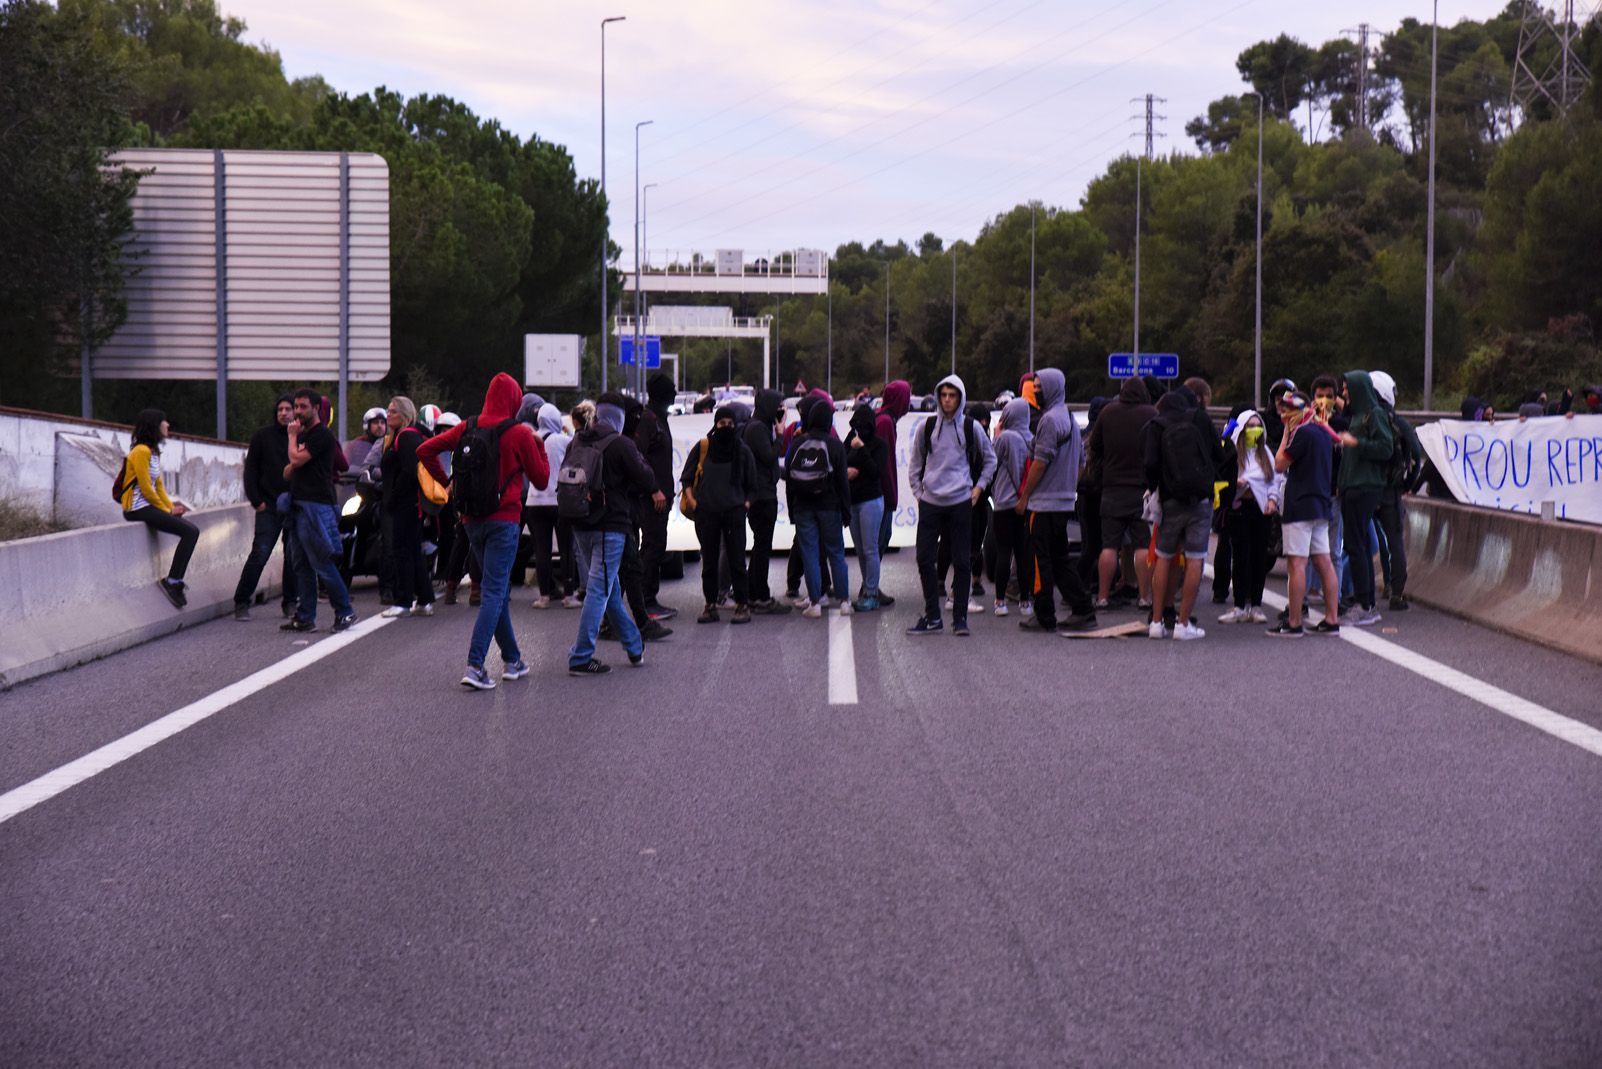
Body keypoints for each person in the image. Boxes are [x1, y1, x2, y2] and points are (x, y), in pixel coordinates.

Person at [418, 372, 550, 690]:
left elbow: (424, 450)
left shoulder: (468, 426)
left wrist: (447, 482)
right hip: (504, 521)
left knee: (497, 591)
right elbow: (543, 480)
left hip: (471, 519)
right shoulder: (519, 433)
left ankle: (513, 660)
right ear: (515, 401)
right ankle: (476, 665)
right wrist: (538, 446)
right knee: (494, 592)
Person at [566, 393, 662, 676]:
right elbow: (645, 477)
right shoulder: (621, 444)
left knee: (609, 591)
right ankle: (581, 656)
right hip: (611, 527)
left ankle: (634, 646)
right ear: (618, 419)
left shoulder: (578, 440)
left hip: (581, 523)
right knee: (600, 590)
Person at [907, 374, 996, 637]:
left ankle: (960, 619)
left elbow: (990, 459)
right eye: (943, 395)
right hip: (931, 502)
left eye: (952, 395)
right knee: (924, 558)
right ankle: (933, 616)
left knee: (962, 560)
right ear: (938, 397)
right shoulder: (927, 427)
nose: (947, 400)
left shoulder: (971, 428)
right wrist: (918, 493)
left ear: (960, 398)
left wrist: (979, 487)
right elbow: (915, 463)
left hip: (960, 501)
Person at [1014, 369, 1096, 636]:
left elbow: (1040, 463)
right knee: (1061, 560)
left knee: (1041, 560)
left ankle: (1044, 614)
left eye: (1039, 386)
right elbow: (1082, 463)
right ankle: (1083, 608)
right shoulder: (1070, 420)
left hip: (1044, 504)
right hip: (1063, 503)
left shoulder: (1049, 421)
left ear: (1051, 388)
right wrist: (1067, 487)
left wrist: (1026, 496)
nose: (1036, 390)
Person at [1266, 391, 1342, 637]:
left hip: (1299, 505)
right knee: (1324, 561)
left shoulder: (1301, 433)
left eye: (1285, 410)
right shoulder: (1322, 432)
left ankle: (1295, 622)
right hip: (1321, 503)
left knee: (1297, 562)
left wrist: (1287, 433)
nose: (1282, 415)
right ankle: (1332, 619)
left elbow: (1279, 464)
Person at [281, 388, 357, 633]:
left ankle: (345, 611)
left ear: (316, 408)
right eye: (296, 407)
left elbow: (296, 460)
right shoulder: (304, 436)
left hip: (316, 506)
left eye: (303, 407)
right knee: (300, 564)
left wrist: (292, 439)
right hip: (299, 505)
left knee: (322, 562)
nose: (298, 412)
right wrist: (295, 454)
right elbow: (289, 468)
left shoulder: (321, 435)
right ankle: (305, 617)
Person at [1143, 391, 1214, 640]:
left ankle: (1156, 622)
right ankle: (1183, 624)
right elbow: (1217, 454)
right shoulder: (1200, 420)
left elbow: (1150, 463)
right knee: (1195, 559)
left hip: (1170, 499)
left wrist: (1155, 490)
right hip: (1200, 500)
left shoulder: (1156, 425)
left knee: (1164, 557)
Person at [1085, 376, 1157, 612]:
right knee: (1142, 545)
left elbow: (1094, 445)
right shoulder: (1150, 414)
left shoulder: (1108, 413)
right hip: (1140, 490)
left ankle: (1103, 596)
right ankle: (1145, 597)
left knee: (1109, 546)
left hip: (1112, 489)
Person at [682, 405, 757, 624]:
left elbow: (753, 485)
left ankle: (742, 605)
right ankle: (710, 605)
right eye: (722, 423)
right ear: (715, 424)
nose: (726, 427)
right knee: (709, 563)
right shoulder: (704, 447)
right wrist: (694, 503)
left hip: (734, 513)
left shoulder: (742, 450)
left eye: (730, 424)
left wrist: (745, 504)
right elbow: (686, 477)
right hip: (707, 513)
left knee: (736, 561)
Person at [119, 408, 198, 610]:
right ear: (156, 425)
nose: (168, 425)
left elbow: (159, 486)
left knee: (190, 531)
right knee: (190, 532)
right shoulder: (141, 452)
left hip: (148, 506)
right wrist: (167, 510)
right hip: (136, 508)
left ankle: (175, 580)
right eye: (165, 422)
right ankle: (173, 581)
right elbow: (145, 488)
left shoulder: (153, 452)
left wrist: (171, 507)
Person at [1335, 371, 1394, 627]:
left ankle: (1365, 604)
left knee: (1357, 545)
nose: (1344, 393)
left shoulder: (1374, 414)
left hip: (1365, 487)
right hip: (1352, 487)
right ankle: (1365, 600)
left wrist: (1356, 443)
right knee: (1355, 545)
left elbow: (1385, 448)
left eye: (1347, 388)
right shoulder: (1357, 415)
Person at [787, 396, 853, 619]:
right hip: (830, 506)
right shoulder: (835, 445)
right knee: (836, 553)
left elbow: (789, 478)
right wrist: (846, 511)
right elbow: (843, 482)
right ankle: (844, 601)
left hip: (803, 507)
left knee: (810, 555)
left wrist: (791, 511)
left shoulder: (797, 443)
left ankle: (815, 602)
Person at [232, 394, 296, 620]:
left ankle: (290, 603)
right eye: (280, 409)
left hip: (295, 506)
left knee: (293, 557)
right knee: (260, 553)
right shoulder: (262, 437)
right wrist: (256, 500)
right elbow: (250, 471)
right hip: (267, 507)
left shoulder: (301, 437)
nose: (284, 413)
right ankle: (241, 602)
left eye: (288, 409)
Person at [1216, 410, 1281, 624]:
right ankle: (1239, 605)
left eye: (1258, 425)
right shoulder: (1234, 455)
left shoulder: (1266, 454)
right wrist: (1237, 485)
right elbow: (1222, 480)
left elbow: (1275, 481)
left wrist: (1272, 500)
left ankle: (1256, 604)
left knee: (1258, 558)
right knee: (1241, 558)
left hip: (1261, 510)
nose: (1255, 429)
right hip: (1239, 508)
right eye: (1250, 425)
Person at [377, 396, 437, 619]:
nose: (388, 414)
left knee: (401, 551)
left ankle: (403, 601)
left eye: (393, 411)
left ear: (404, 414)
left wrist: (393, 498)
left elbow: (410, 471)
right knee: (412, 551)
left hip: (406, 504)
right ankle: (424, 599)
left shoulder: (406, 437)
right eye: (388, 410)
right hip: (409, 503)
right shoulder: (405, 436)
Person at [1369, 370, 1421, 611]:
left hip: (1365, 489)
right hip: (1391, 492)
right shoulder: (1397, 422)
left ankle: (1358, 593)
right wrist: (1407, 484)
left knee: (1357, 542)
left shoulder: (1362, 418)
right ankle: (1397, 593)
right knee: (1395, 541)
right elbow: (1416, 452)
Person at [526, 403, 579, 610]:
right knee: (566, 548)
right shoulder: (564, 440)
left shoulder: (531, 439)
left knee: (542, 550)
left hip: (535, 501)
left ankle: (544, 596)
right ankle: (569, 595)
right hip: (559, 502)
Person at [743, 388, 791, 615]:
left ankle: (753, 592)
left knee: (760, 546)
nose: (781, 410)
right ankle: (760, 595)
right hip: (761, 495)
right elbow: (769, 456)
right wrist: (780, 434)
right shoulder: (757, 429)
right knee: (763, 546)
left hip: (763, 491)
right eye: (778, 406)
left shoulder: (761, 426)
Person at [986, 396, 1034, 618]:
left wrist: (996, 435)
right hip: (1027, 503)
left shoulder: (1005, 438)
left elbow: (991, 461)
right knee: (1023, 553)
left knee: (1004, 551)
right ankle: (1025, 601)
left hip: (1004, 503)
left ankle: (1000, 601)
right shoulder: (1032, 439)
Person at [639, 374, 678, 619]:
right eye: (672, 389)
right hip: (652, 497)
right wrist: (654, 489)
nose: (675, 393)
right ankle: (647, 602)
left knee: (655, 546)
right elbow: (639, 460)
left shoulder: (659, 419)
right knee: (653, 547)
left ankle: (647, 599)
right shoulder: (649, 420)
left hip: (661, 496)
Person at [845, 403, 889, 611]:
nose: (860, 428)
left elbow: (875, 471)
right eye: (857, 425)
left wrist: (861, 450)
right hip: (853, 500)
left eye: (865, 425)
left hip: (871, 500)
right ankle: (866, 587)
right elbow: (842, 462)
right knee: (860, 550)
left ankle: (872, 592)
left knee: (870, 548)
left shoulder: (879, 445)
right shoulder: (848, 440)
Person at [875, 380, 912, 561]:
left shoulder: (884, 419)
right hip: (881, 492)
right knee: (880, 538)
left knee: (883, 536)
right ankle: (870, 586)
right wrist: (890, 495)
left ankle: (870, 585)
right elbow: (885, 462)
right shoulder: (885, 422)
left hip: (880, 491)